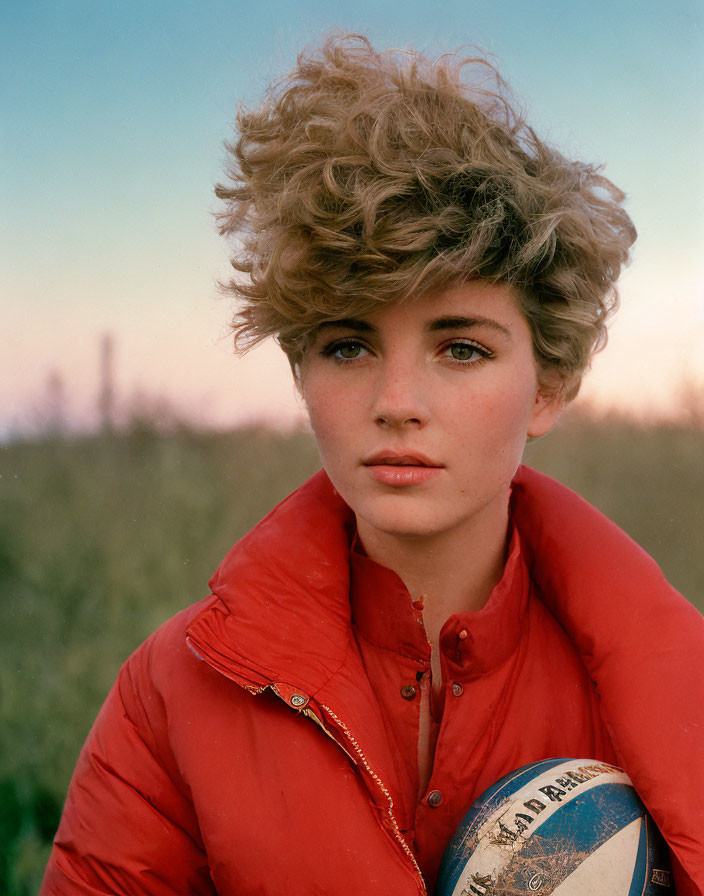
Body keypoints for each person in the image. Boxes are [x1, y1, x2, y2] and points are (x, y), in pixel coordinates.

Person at [41, 33, 704, 895]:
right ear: (299, 374)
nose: (397, 399)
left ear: (548, 385)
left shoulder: (679, 693)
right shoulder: (170, 696)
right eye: (349, 345)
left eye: (461, 349)